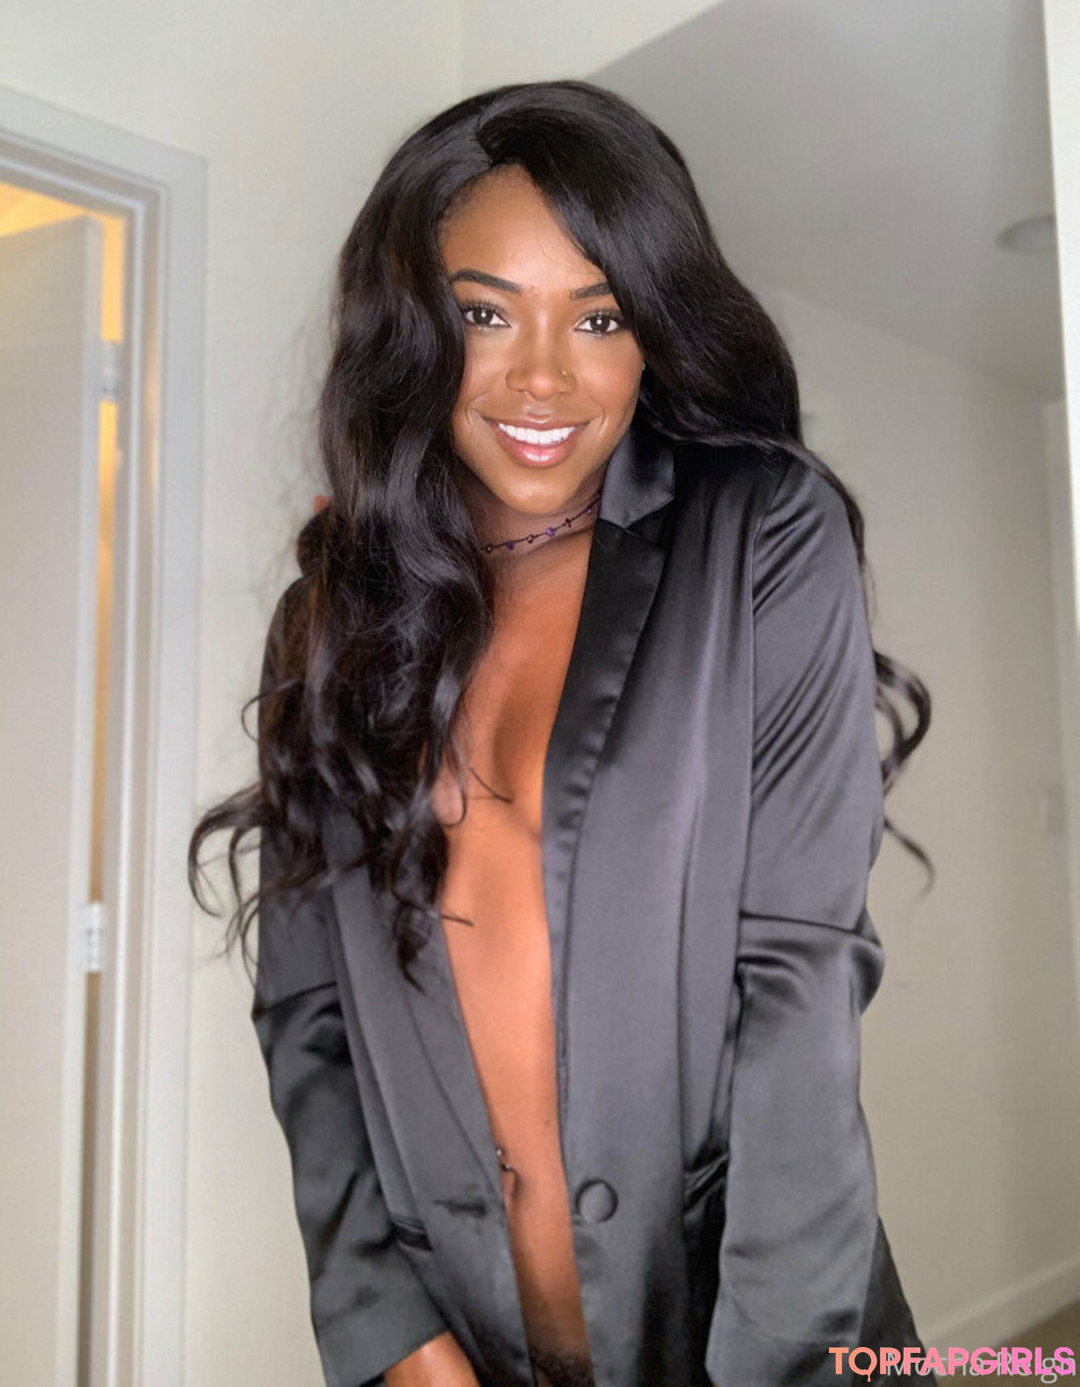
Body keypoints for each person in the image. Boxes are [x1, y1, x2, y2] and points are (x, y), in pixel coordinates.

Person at [190, 80, 935, 1387]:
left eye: (601, 316)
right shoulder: (332, 616)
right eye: (486, 312)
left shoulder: (758, 532)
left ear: (656, 331)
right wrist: (388, 1330)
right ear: (415, 325)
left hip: (746, 1328)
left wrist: (786, 1361)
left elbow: (798, 979)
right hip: (464, 1345)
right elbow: (307, 1006)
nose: (544, 376)